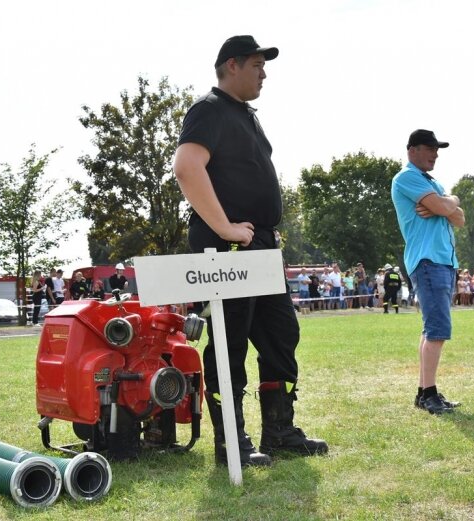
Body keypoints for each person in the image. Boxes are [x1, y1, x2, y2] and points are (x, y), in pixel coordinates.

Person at [173, 35, 327, 467]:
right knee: (229, 343)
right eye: (258, 65)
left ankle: (279, 431)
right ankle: (231, 443)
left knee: (281, 335)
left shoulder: (246, 115)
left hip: (257, 245)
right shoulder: (208, 109)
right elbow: (186, 167)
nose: (264, 73)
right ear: (233, 65)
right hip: (226, 245)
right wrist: (224, 227)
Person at [391, 129, 465, 415]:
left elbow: (458, 218)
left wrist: (449, 202)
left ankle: (426, 392)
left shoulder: (432, 183)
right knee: (437, 330)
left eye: (437, 149)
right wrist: (444, 204)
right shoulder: (407, 177)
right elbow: (446, 208)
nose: (435, 154)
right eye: (430, 148)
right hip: (428, 260)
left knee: (432, 329)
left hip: (442, 261)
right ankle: (429, 394)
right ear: (412, 150)